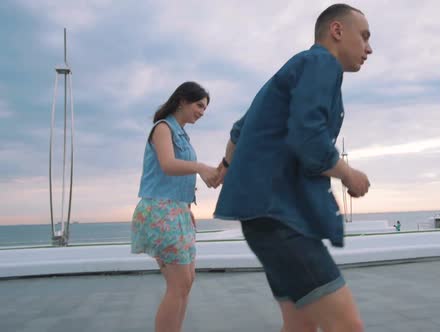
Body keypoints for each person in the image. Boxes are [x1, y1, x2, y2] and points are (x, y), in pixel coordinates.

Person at [214, 4, 372, 332]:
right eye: (365, 36)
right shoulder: (321, 63)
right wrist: (349, 175)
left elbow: (238, 132)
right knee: (347, 326)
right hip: (281, 219)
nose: (369, 48)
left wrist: (226, 167)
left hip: (264, 219)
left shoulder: (297, 68)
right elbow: (308, 138)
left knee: (299, 326)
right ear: (337, 31)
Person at [131, 81, 219, 332]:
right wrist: (201, 167)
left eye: (205, 108)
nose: (202, 112)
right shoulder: (162, 128)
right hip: (160, 211)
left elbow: (178, 177)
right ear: (182, 101)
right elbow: (168, 165)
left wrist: (187, 208)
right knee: (178, 285)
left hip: (178, 211)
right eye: (199, 105)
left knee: (187, 282)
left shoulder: (182, 134)